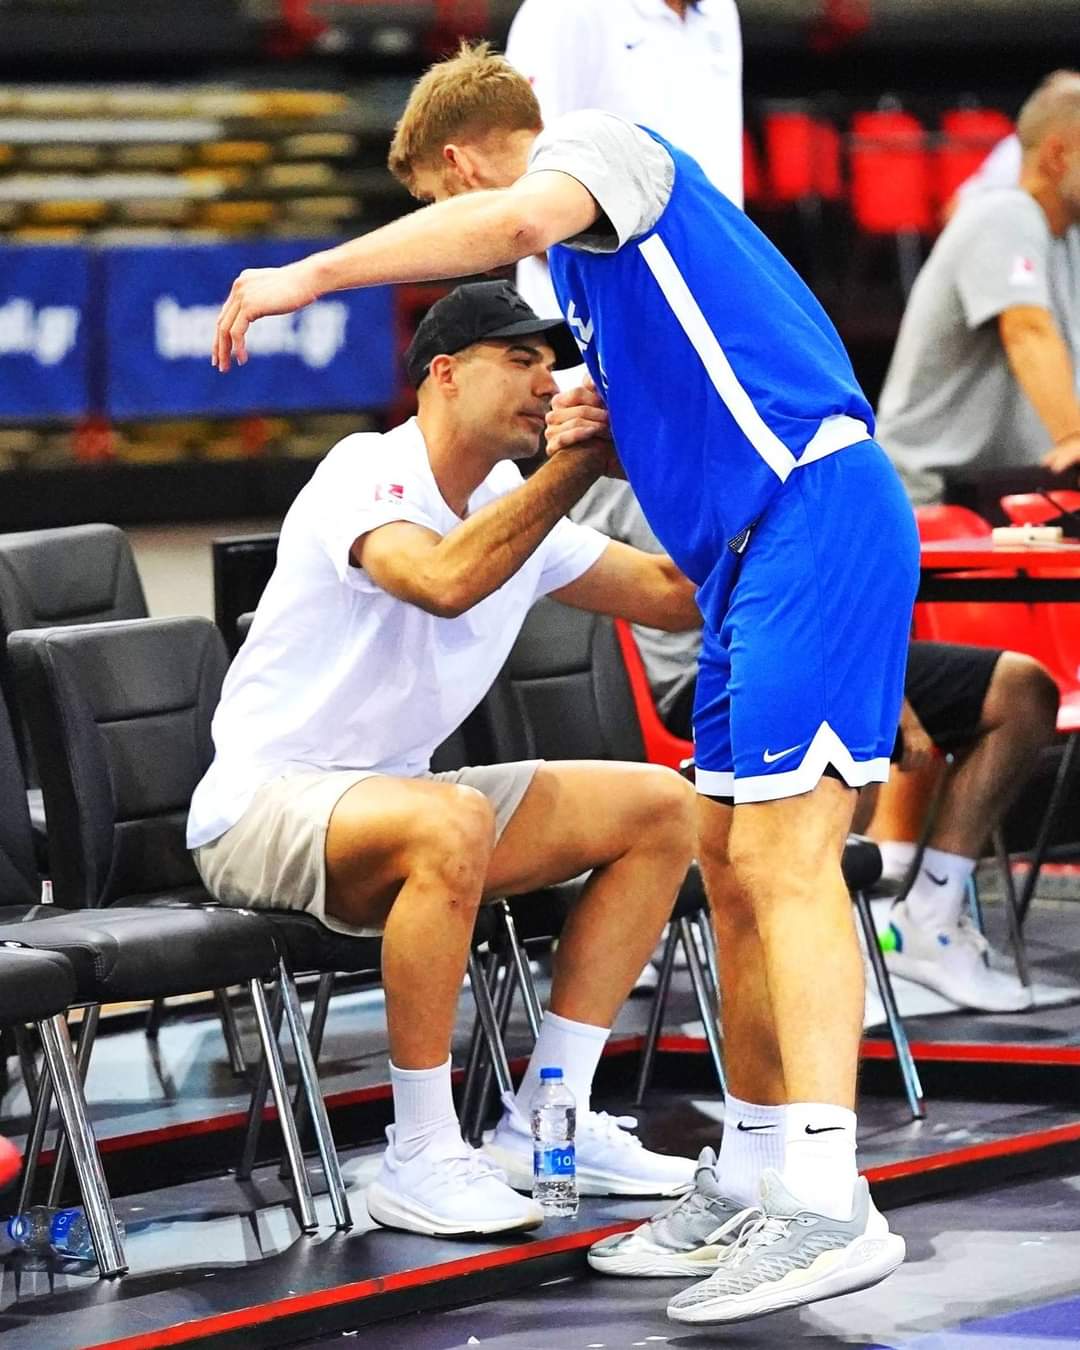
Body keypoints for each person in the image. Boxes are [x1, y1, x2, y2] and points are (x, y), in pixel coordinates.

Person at [210, 43, 917, 1325]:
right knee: (726, 856)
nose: (467, 252)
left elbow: (514, 219)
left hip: (808, 512)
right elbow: (493, 554)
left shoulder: (604, 150)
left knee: (781, 861)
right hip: (750, 553)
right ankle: (756, 1171)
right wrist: (604, 441)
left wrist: (308, 273)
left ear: (460, 164)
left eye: (444, 207)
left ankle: (825, 1199)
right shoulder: (550, 334)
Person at [190, 281, 701, 1239]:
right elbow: (440, 580)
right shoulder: (365, 469)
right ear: (445, 373)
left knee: (663, 806)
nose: (547, 383)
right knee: (449, 818)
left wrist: (677, 463)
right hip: (262, 808)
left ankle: (550, 1119)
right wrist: (576, 468)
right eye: (520, 360)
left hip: (400, 805)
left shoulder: (512, 501)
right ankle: (419, 1152)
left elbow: (676, 595)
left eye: (553, 366)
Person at [575, 474, 1058, 1011]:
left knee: (1021, 691)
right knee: (834, 734)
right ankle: (804, 962)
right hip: (715, 676)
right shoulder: (633, 474)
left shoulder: (780, 458)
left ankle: (928, 919)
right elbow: (744, 592)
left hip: (803, 648)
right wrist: (888, 698)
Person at [877, 72, 1080, 506]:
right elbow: (1027, 330)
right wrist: (1074, 438)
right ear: (1058, 156)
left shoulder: (1067, 239)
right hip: (930, 502)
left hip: (1005, 497)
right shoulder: (1003, 215)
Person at [506, 0, 743, 317]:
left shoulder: (720, 9)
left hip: (713, 302)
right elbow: (518, 175)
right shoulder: (561, 10)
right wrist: (645, 297)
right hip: (601, 313)